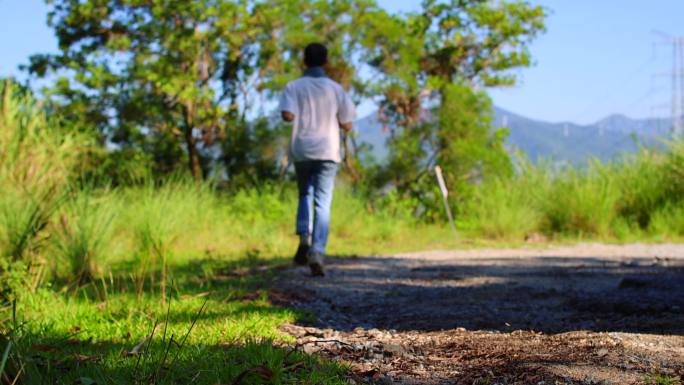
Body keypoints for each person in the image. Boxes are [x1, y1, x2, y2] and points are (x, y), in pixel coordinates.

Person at [279, 42, 356, 277]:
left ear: (304, 61)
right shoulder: (335, 89)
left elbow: (287, 115)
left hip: (302, 148)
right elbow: (348, 124)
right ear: (325, 61)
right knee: (323, 201)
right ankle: (317, 251)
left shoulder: (293, 86)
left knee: (305, 194)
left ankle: (304, 237)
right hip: (327, 150)